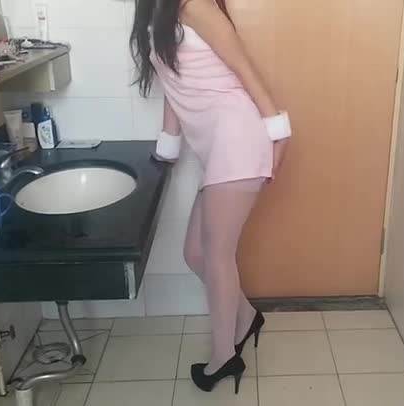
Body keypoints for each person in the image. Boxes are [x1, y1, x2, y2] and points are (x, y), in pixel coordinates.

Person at [130, 0, 292, 394]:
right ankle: (246, 316)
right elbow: (172, 80)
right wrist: (168, 145)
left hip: (238, 139)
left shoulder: (196, 6)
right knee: (195, 254)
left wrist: (279, 132)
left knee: (217, 255)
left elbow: (244, 69)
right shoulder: (157, 10)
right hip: (217, 148)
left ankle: (224, 356)